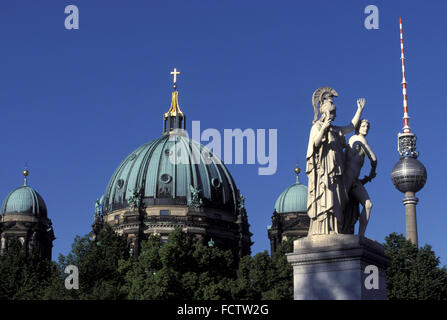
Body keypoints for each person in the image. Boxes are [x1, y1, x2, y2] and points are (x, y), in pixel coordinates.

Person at [306, 87, 365, 235]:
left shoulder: (335, 129)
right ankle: (324, 229)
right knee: (326, 199)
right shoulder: (317, 127)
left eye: (334, 114)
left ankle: (335, 228)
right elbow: (315, 144)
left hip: (336, 171)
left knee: (337, 201)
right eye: (331, 113)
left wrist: (359, 110)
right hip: (323, 172)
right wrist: (324, 128)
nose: (333, 116)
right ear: (324, 112)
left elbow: (351, 127)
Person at [342, 119, 377, 236]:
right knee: (341, 208)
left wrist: (366, 179)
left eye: (367, 126)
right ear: (357, 128)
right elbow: (373, 158)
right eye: (363, 126)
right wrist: (372, 172)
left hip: (354, 181)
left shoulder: (352, 140)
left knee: (368, 205)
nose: (366, 128)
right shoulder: (359, 139)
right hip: (347, 180)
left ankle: (360, 236)